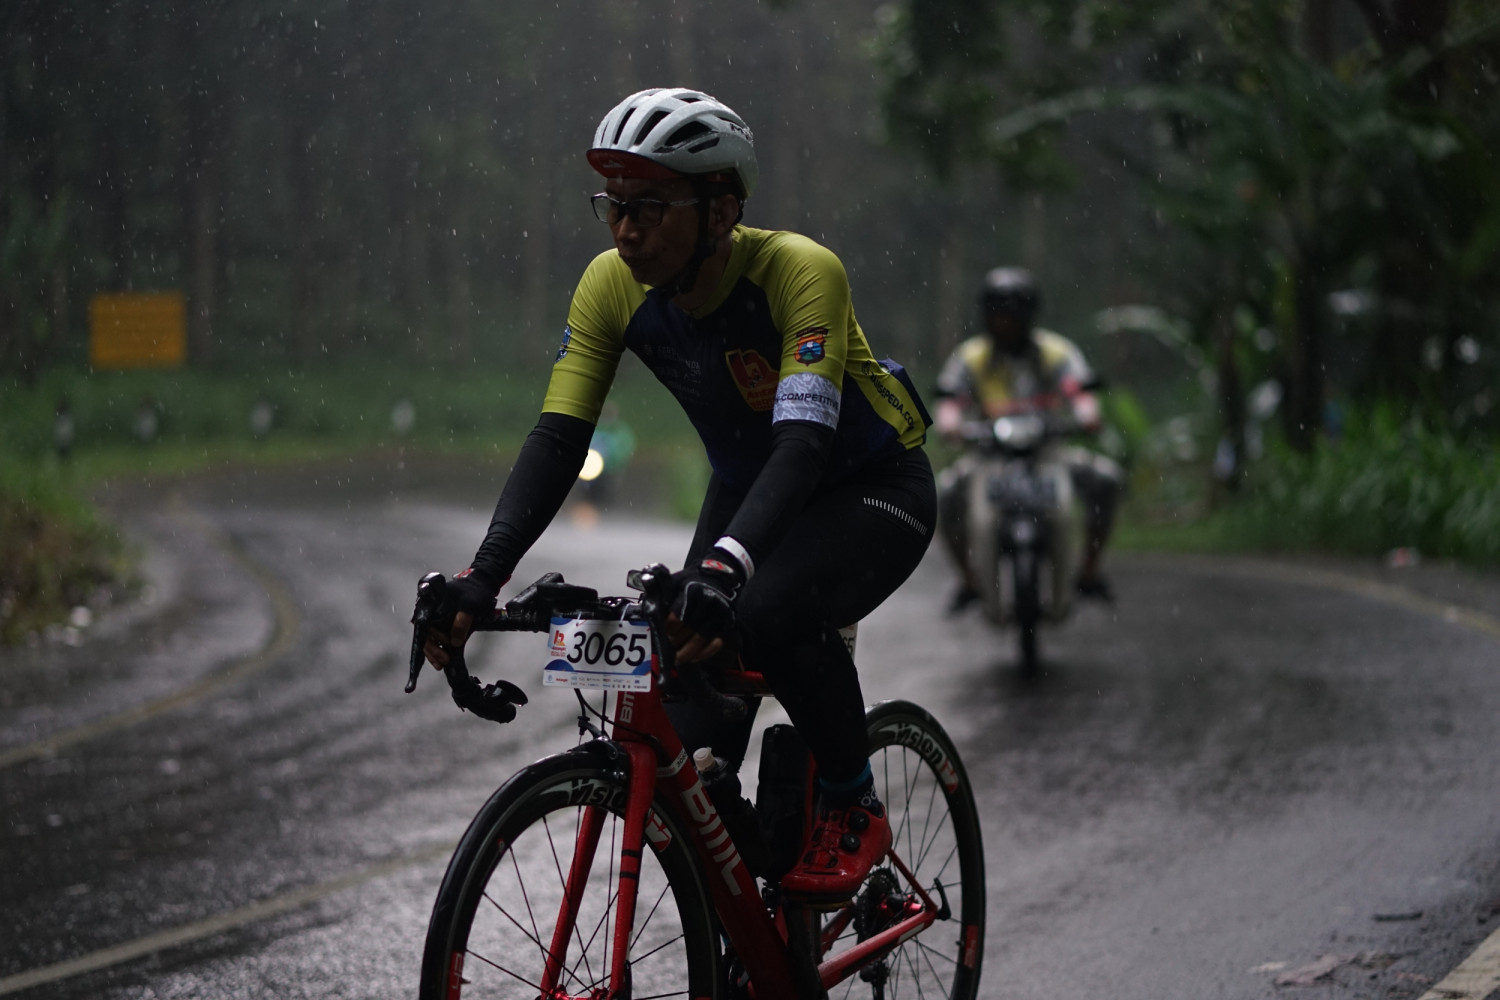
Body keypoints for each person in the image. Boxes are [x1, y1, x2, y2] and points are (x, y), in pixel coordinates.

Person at [420, 87, 937, 905]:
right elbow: (558, 441)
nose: (626, 230)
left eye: (650, 207)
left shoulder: (799, 271)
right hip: (749, 488)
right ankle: (756, 892)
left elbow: (802, 446)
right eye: (614, 206)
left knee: (765, 609)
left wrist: (725, 571)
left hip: (869, 486)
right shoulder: (610, 285)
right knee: (686, 723)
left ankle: (851, 800)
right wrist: (482, 577)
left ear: (721, 210)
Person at [932, 266, 1124, 612]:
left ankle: (1089, 570)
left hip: (1049, 452)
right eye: (998, 313)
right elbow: (950, 397)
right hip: (988, 456)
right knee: (945, 493)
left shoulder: (1055, 352)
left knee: (1107, 479)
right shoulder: (971, 357)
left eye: (1012, 314)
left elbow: (1078, 389)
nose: (1005, 322)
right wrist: (950, 423)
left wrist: (1087, 413)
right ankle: (969, 579)